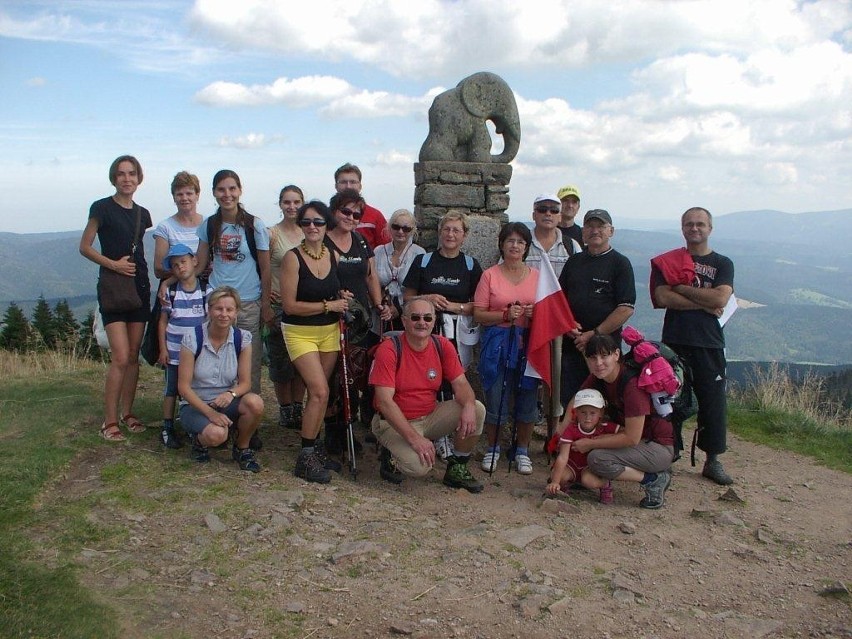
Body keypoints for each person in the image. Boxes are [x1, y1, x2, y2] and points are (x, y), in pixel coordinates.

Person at [652, 207, 735, 485]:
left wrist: (682, 289)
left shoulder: (723, 263)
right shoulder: (670, 260)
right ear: (682, 228)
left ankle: (713, 459)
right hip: (675, 339)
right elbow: (663, 297)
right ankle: (668, 454)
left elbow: (721, 299)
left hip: (709, 342)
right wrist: (704, 301)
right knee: (670, 400)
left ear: (710, 228)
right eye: (689, 224)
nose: (694, 228)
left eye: (700, 224)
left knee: (713, 401)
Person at [370, 297, 486, 492]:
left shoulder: (442, 345)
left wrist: (467, 406)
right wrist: (415, 439)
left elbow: (461, 384)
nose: (422, 323)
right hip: (393, 422)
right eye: (415, 317)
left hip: (430, 416)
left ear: (434, 321)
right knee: (419, 467)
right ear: (405, 321)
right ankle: (390, 457)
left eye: (427, 318)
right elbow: (384, 402)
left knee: (477, 409)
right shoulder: (389, 350)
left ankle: (457, 467)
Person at [79, 155, 152, 441]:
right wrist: (113, 265)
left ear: (139, 177)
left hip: (139, 288)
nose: (126, 179)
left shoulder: (143, 214)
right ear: (114, 178)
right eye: (121, 174)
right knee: (120, 356)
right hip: (112, 287)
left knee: (133, 356)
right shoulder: (102, 208)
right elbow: (85, 247)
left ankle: (128, 413)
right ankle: (109, 421)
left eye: (132, 173)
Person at [403, 210, 483, 460]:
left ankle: (449, 433)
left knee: (454, 378)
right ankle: (434, 434)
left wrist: (452, 307)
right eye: (446, 229)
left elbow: (479, 306)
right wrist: (427, 299)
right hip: (427, 329)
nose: (450, 234)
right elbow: (406, 298)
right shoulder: (424, 262)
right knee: (429, 378)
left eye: (456, 230)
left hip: (457, 332)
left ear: (464, 235)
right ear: (439, 232)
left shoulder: (470, 265)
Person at [281, 201, 350, 484]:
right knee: (319, 390)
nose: (312, 227)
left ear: (326, 226)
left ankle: (314, 445)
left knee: (320, 394)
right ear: (300, 225)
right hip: (300, 332)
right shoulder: (292, 258)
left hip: (329, 332)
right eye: (307, 222)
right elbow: (290, 305)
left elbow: (332, 290)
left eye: (318, 222)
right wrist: (328, 306)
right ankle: (306, 457)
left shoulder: (331, 255)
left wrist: (340, 297)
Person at [568, 333, 675, 509]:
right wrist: (561, 432)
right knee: (587, 440)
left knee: (597, 458)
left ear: (616, 355)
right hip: (639, 442)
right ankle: (594, 476)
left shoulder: (631, 386)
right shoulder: (599, 378)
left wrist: (591, 443)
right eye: (593, 357)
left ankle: (654, 479)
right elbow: (578, 400)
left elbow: (632, 438)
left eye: (604, 356)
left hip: (657, 447)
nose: (598, 363)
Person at [195, 169, 271, 407]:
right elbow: (199, 264)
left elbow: (266, 268)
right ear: (214, 193)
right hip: (218, 302)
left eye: (232, 189)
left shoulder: (255, 225)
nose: (227, 194)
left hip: (248, 303)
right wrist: (170, 281)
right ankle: (215, 409)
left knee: (250, 363)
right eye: (221, 189)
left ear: (240, 190)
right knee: (214, 361)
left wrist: (266, 305)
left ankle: (248, 414)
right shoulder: (209, 225)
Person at [324, 189, 392, 452]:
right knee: (333, 378)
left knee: (354, 375)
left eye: (356, 214)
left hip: (360, 320)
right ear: (334, 211)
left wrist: (378, 304)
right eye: (346, 211)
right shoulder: (323, 242)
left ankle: (348, 430)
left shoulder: (362, 242)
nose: (351, 217)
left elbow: (371, 276)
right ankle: (332, 433)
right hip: (331, 318)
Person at [474, 222, 540, 475]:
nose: (515, 246)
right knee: (495, 394)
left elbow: (547, 312)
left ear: (526, 247)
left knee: (528, 395)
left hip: (527, 343)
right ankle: (493, 447)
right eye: (510, 241)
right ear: (501, 244)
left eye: (520, 242)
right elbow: (479, 314)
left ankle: (521, 450)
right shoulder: (490, 275)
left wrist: (537, 313)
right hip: (497, 343)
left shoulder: (536, 276)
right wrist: (504, 315)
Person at [178, 286, 263, 472]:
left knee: (255, 403)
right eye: (219, 308)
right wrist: (211, 414)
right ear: (209, 310)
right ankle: (199, 441)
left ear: (236, 313)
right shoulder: (193, 338)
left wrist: (231, 393)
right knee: (217, 435)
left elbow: (245, 383)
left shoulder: (242, 339)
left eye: (229, 309)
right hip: (195, 404)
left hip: (225, 401)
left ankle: (242, 447)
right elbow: (183, 388)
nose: (224, 314)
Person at [558, 209, 635, 407]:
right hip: (573, 345)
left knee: (605, 401)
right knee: (571, 400)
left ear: (611, 231)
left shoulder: (620, 264)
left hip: (605, 348)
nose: (595, 231)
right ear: (583, 232)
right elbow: (559, 299)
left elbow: (625, 308)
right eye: (590, 226)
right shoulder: (574, 261)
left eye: (600, 226)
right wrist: (567, 323)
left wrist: (594, 334)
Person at [157, 243, 212, 449]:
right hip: (174, 352)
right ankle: (168, 426)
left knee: (196, 388)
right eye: (175, 265)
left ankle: (194, 424)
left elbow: (210, 320)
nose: (180, 267)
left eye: (183, 261)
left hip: (198, 353)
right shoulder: (171, 292)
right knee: (171, 389)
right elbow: (163, 321)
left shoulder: (207, 290)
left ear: (194, 261)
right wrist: (162, 349)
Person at [267, 185, 306, 430]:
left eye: (296, 202)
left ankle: (297, 406)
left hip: (304, 304)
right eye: (287, 202)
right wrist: (264, 297)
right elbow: (264, 267)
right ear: (280, 204)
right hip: (279, 303)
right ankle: (285, 408)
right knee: (280, 360)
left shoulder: (310, 232)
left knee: (302, 360)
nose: (291, 207)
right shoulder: (272, 234)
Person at [545, 388, 621, 504]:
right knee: (558, 475)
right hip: (572, 466)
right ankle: (563, 486)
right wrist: (555, 481)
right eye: (583, 412)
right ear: (576, 412)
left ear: (600, 413)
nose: (588, 417)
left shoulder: (604, 428)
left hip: (590, 468)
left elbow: (625, 432)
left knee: (588, 481)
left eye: (592, 413)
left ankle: (605, 483)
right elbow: (562, 457)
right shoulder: (571, 429)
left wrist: (606, 439)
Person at [373, 208, 425, 332]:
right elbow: (371, 280)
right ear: (390, 228)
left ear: (412, 231)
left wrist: (399, 309)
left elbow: (420, 288)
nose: (401, 231)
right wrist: (381, 306)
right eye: (396, 227)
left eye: (406, 228)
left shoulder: (419, 254)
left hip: (408, 312)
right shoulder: (378, 252)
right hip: (381, 310)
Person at [152, 171, 204, 280]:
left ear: (197, 195)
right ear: (174, 197)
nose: (184, 198)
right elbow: (159, 268)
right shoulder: (165, 227)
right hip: (175, 291)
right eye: (180, 194)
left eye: (189, 193)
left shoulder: (208, 224)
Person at [525, 194, 581, 278]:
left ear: (560, 217)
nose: (548, 213)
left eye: (554, 210)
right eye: (542, 209)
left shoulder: (572, 246)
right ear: (534, 215)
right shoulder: (521, 242)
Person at [333, 162, 387, 250]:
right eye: (343, 182)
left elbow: (385, 250)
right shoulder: (326, 214)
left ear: (360, 186)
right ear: (336, 186)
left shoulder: (375, 216)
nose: (348, 186)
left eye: (353, 182)